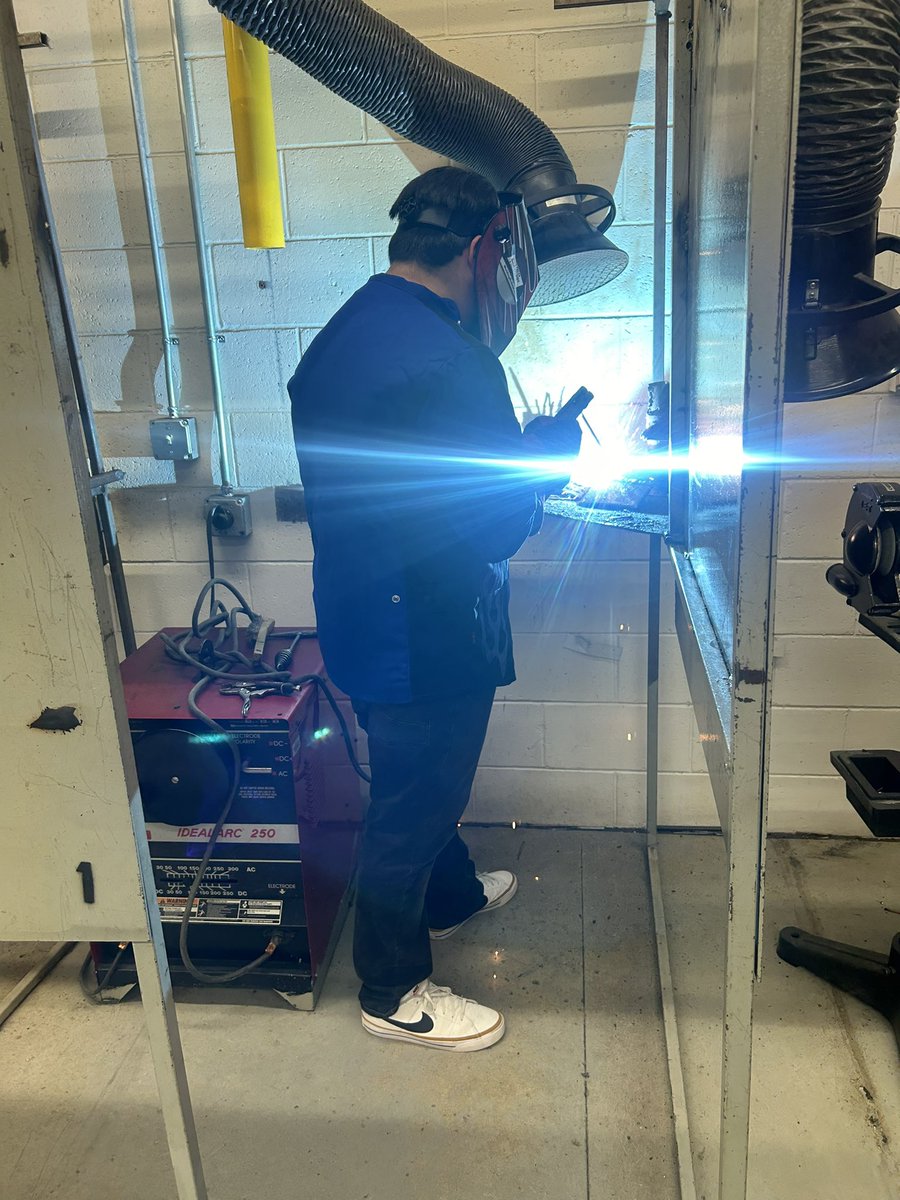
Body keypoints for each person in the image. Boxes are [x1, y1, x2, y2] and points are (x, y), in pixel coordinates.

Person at [289, 166, 581, 1051]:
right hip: (427, 627)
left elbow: (409, 474)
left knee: (420, 782)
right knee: (414, 802)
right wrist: (549, 456)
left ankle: (447, 896)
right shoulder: (454, 359)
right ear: (486, 249)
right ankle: (390, 989)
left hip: (362, 612)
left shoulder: (346, 329)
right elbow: (494, 525)